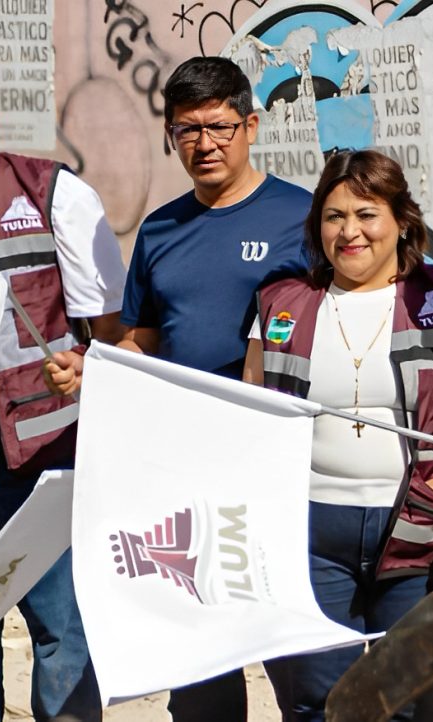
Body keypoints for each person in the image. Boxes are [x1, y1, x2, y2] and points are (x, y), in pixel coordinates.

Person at [243, 149, 433, 721]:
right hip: (311, 532)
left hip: (418, 532)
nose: (349, 231)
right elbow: (248, 418)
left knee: (413, 703)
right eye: (333, 216)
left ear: (402, 220)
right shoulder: (282, 303)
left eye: (367, 214)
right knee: (319, 702)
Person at [113, 56, 310, 719]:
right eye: (187, 130)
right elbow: (143, 334)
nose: (205, 144)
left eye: (220, 127)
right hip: (183, 472)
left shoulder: (301, 217)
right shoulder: (159, 230)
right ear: (171, 135)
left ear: (251, 125)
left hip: (276, 468)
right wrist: (102, 366)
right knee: (198, 674)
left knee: (298, 663)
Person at [0, 70, 126, 721]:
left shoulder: (52, 196)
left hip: (35, 461)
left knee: (61, 635)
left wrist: (85, 366)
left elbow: (115, 334)